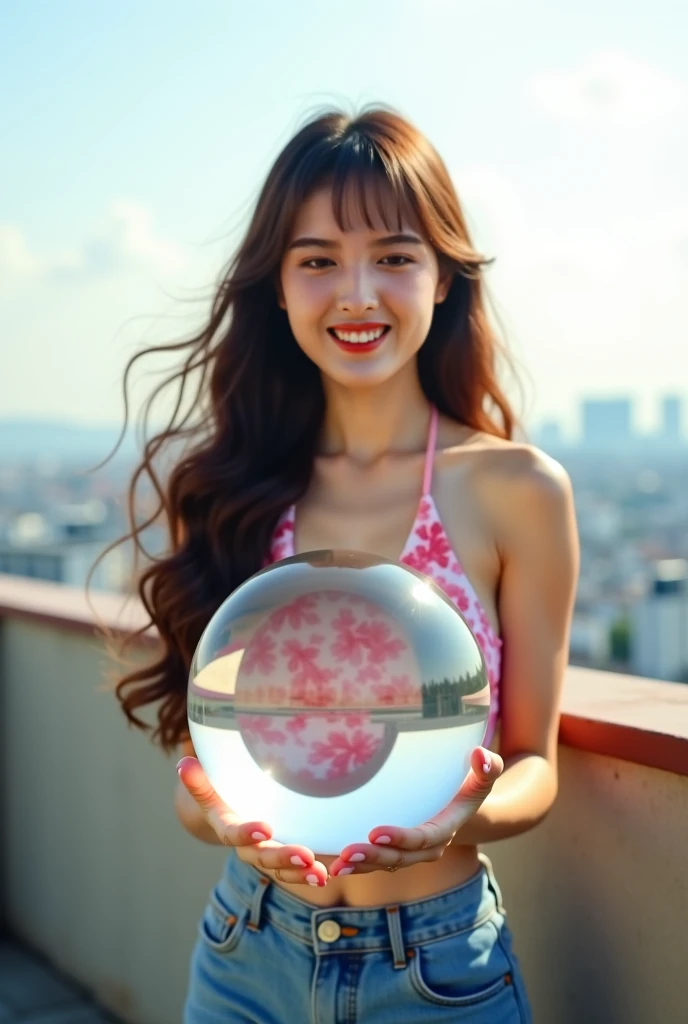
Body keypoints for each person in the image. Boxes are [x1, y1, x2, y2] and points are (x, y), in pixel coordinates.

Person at [105, 104, 579, 1022]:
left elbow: (534, 764)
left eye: (394, 256)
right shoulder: (237, 487)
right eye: (317, 260)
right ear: (277, 289)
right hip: (248, 950)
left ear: (443, 279)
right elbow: (200, 779)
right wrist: (232, 828)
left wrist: (454, 822)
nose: (356, 293)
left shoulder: (518, 489)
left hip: (435, 968)